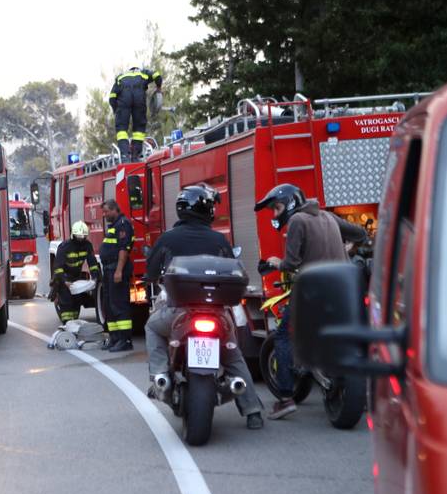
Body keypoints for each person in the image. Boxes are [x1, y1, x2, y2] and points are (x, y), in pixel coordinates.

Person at [144, 184, 265, 430]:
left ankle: (159, 377)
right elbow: (233, 266)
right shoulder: (219, 239)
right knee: (233, 355)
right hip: (217, 313)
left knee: (152, 328)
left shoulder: (167, 239)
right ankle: (252, 411)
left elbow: (150, 271)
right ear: (206, 210)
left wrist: (152, 275)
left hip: (179, 311)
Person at [254, 183, 367, 419]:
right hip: (344, 289)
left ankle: (285, 398)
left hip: (315, 289)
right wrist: (347, 246)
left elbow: (292, 263)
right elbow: (361, 234)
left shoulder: (297, 221)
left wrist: (275, 262)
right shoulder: (328, 216)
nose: (276, 214)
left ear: (291, 203)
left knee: (284, 335)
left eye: (277, 208)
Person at [99, 200, 135, 352]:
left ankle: (125, 340)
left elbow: (123, 249)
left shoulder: (123, 224)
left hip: (117, 269)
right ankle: (114, 338)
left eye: (106, 212)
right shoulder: (114, 226)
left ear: (115, 209)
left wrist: (119, 271)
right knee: (109, 304)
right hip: (109, 269)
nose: (104, 215)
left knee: (119, 304)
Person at [109, 66, 162, 163]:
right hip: (139, 99)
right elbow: (157, 75)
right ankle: (135, 156)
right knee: (139, 129)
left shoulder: (121, 77)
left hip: (123, 101)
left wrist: (116, 110)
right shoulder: (144, 74)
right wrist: (158, 88)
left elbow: (112, 97)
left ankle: (125, 156)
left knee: (121, 129)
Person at [51, 221, 100, 323]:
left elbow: (92, 263)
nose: (81, 239)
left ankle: (74, 324)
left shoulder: (87, 245)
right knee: (67, 304)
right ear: (73, 235)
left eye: (83, 237)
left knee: (76, 303)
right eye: (79, 237)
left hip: (76, 278)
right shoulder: (64, 247)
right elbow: (58, 268)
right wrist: (65, 281)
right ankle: (67, 326)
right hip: (64, 278)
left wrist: (95, 278)